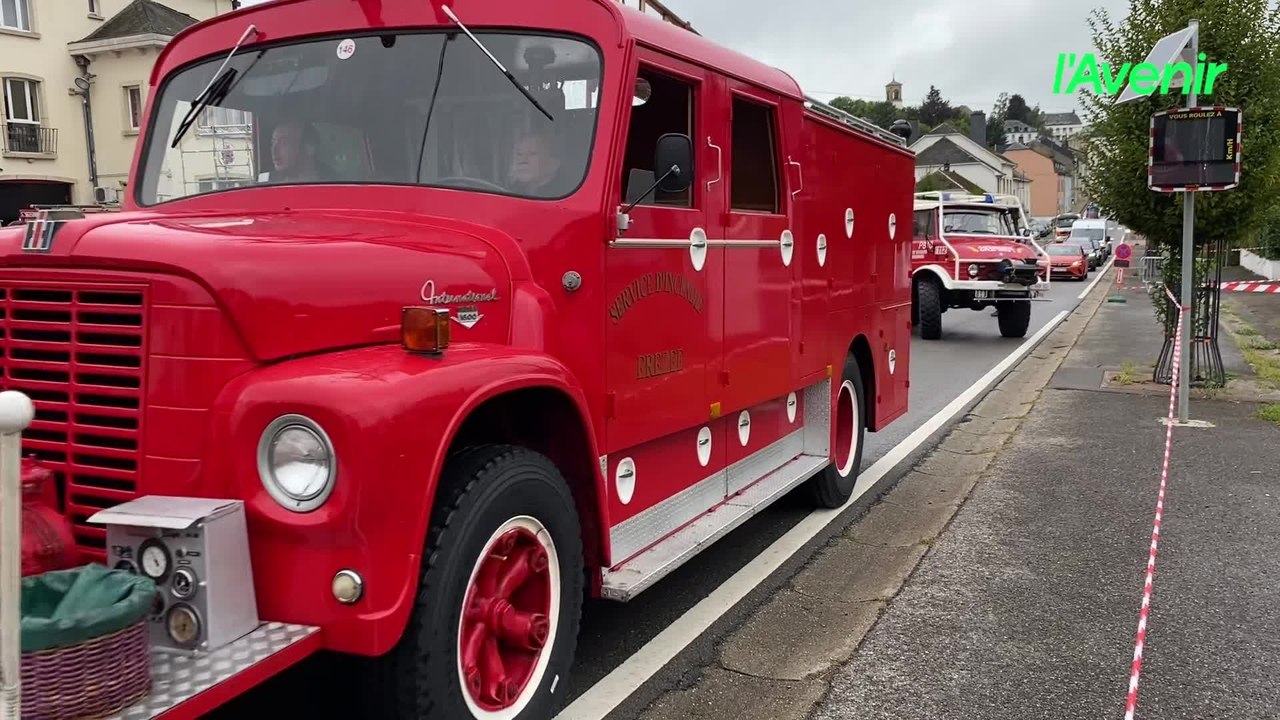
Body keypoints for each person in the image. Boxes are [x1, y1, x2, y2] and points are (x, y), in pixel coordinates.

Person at [506, 127, 570, 197]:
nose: (523, 160)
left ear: (553, 163)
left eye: (532, 154)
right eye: (519, 154)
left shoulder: (564, 196)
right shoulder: (510, 192)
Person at [261, 121, 330, 183]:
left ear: (309, 148)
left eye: (284, 143)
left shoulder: (330, 184)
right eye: (272, 143)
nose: (274, 150)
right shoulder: (268, 184)